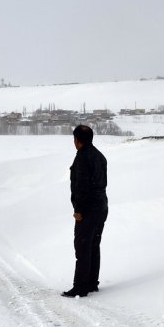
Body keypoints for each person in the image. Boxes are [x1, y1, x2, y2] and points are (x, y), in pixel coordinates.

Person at [62, 124, 108, 298]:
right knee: (94, 245)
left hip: (88, 209)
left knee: (82, 248)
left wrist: (78, 209)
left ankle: (80, 287)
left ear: (77, 140)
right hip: (102, 206)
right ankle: (91, 283)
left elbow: (82, 186)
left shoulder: (82, 158)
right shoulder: (99, 156)